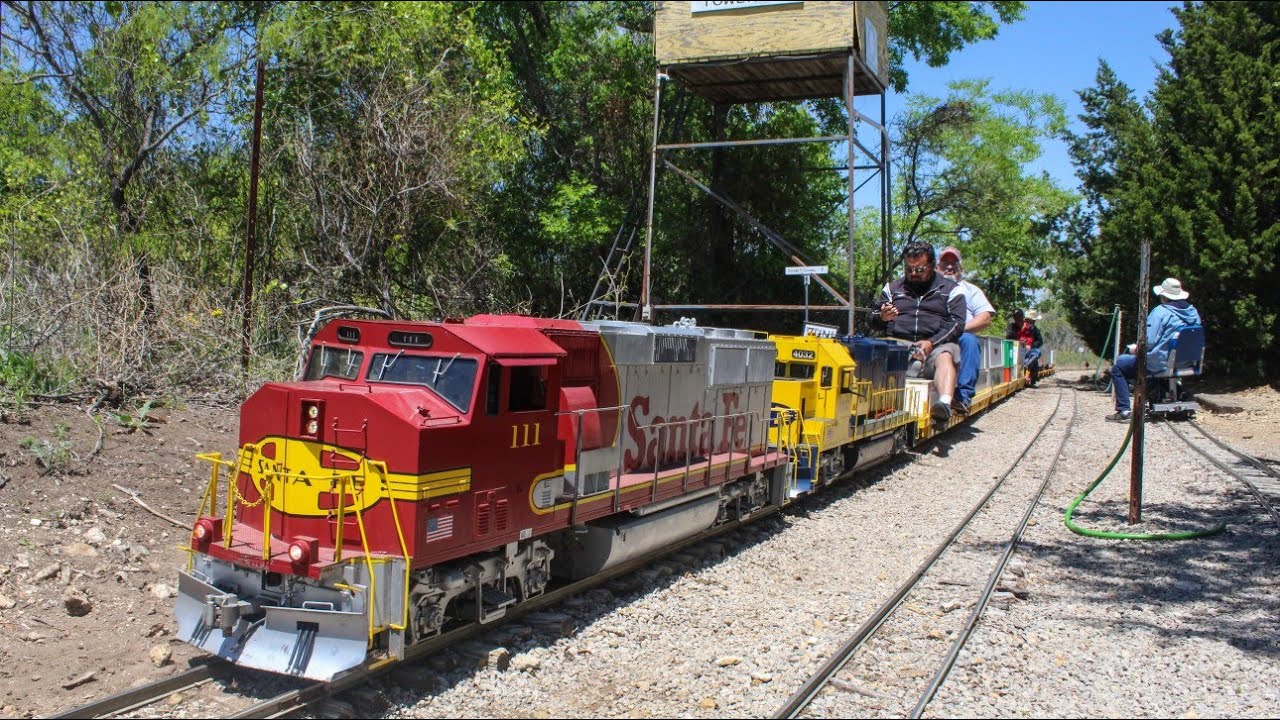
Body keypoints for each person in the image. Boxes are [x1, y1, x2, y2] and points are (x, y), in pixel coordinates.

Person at [870, 240, 966, 424]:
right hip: (898, 343)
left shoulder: (951, 290)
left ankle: (943, 404)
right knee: (873, 351)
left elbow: (957, 323)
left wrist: (931, 343)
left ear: (932, 266)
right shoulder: (892, 289)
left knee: (946, 355)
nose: (913, 273)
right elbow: (872, 316)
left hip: (935, 343)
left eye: (919, 269)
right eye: (909, 269)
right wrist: (881, 317)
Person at [1107, 277, 1202, 422]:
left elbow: (1147, 342)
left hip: (1160, 363)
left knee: (1119, 366)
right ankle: (1165, 393)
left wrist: (1135, 349)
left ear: (1163, 296)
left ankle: (1124, 410)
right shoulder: (1193, 312)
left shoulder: (1160, 312)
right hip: (1187, 362)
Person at [937, 246, 994, 415]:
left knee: (969, 340)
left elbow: (985, 317)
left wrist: (959, 328)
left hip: (960, 335)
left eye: (953, 263)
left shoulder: (971, 290)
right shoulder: (929, 288)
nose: (949, 267)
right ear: (936, 267)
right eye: (945, 263)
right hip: (933, 335)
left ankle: (963, 396)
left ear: (961, 268)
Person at [1017, 310, 1045, 387]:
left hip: (1029, 352)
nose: (1034, 321)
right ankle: (1026, 367)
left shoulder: (1035, 330)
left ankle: (1028, 368)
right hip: (1017, 351)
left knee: (1036, 353)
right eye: (1033, 320)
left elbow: (1040, 341)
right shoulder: (1017, 327)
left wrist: (1031, 346)